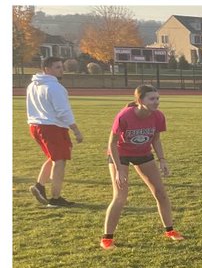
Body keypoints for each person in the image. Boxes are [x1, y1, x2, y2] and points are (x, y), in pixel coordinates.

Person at [102, 85, 182, 250]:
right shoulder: (124, 116)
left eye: (158, 98)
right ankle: (107, 238)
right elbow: (112, 143)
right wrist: (119, 170)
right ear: (140, 101)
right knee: (120, 195)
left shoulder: (158, 116)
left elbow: (156, 139)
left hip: (143, 153)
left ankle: (170, 230)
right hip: (120, 154)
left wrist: (162, 160)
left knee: (160, 193)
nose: (156, 102)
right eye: (152, 99)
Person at [26, 59, 83, 208]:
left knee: (55, 157)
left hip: (36, 125)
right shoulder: (55, 87)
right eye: (57, 67)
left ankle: (40, 186)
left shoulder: (32, 84)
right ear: (47, 69)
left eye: (61, 67)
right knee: (60, 161)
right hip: (51, 127)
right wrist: (76, 130)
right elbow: (63, 111)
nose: (61, 70)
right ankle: (55, 198)